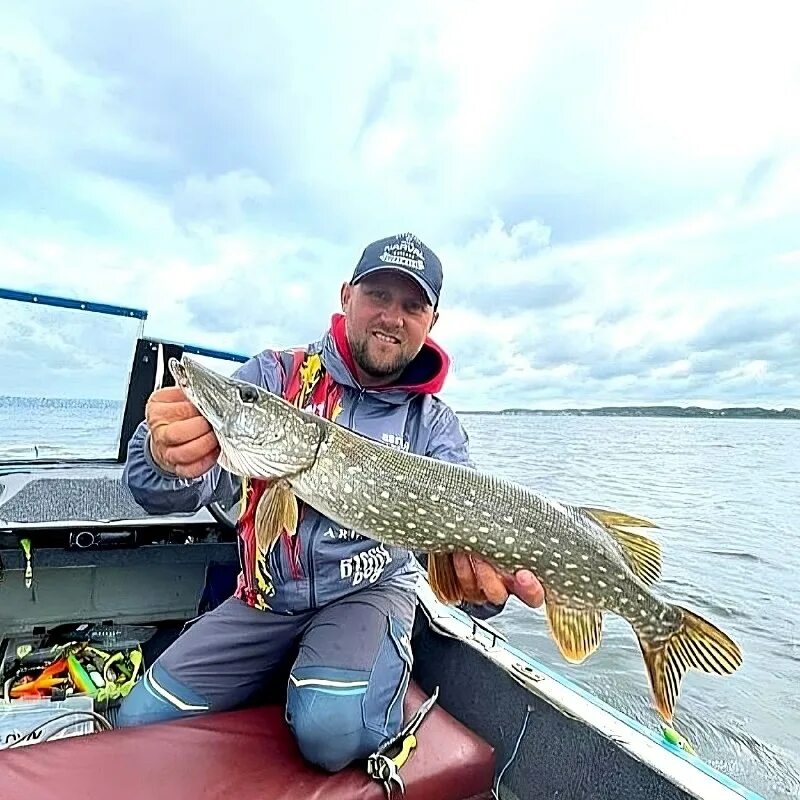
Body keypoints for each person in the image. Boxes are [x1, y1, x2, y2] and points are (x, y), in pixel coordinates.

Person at [117, 232, 544, 772]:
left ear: (431, 322)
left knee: (330, 734)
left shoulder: (433, 427)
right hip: (264, 598)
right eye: (378, 297)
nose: (392, 316)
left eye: (412, 305)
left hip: (368, 593)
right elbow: (155, 490)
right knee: (138, 724)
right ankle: (303, 671)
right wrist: (163, 455)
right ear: (346, 297)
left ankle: (364, 681)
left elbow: (466, 575)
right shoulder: (275, 378)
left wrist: (486, 588)